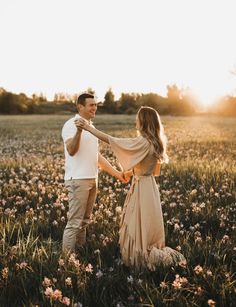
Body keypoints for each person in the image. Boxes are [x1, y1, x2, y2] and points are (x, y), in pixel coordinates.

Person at [76, 106, 186, 270]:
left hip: (142, 187)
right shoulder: (156, 142)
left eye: (138, 118)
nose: (135, 120)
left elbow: (112, 140)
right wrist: (130, 172)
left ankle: (138, 259)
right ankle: (142, 253)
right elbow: (153, 170)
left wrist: (89, 128)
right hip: (150, 187)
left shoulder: (143, 141)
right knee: (146, 222)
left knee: (138, 221)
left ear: (143, 121)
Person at [61, 92, 126, 254]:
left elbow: (96, 156)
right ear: (80, 107)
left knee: (84, 221)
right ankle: (67, 260)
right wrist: (79, 131)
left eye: (96, 105)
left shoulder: (91, 127)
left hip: (92, 178)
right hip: (77, 179)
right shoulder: (71, 124)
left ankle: (80, 252)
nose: (94, 108)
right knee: (75, 222)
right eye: (91, 105)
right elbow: (71, 150)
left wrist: (117, 173)